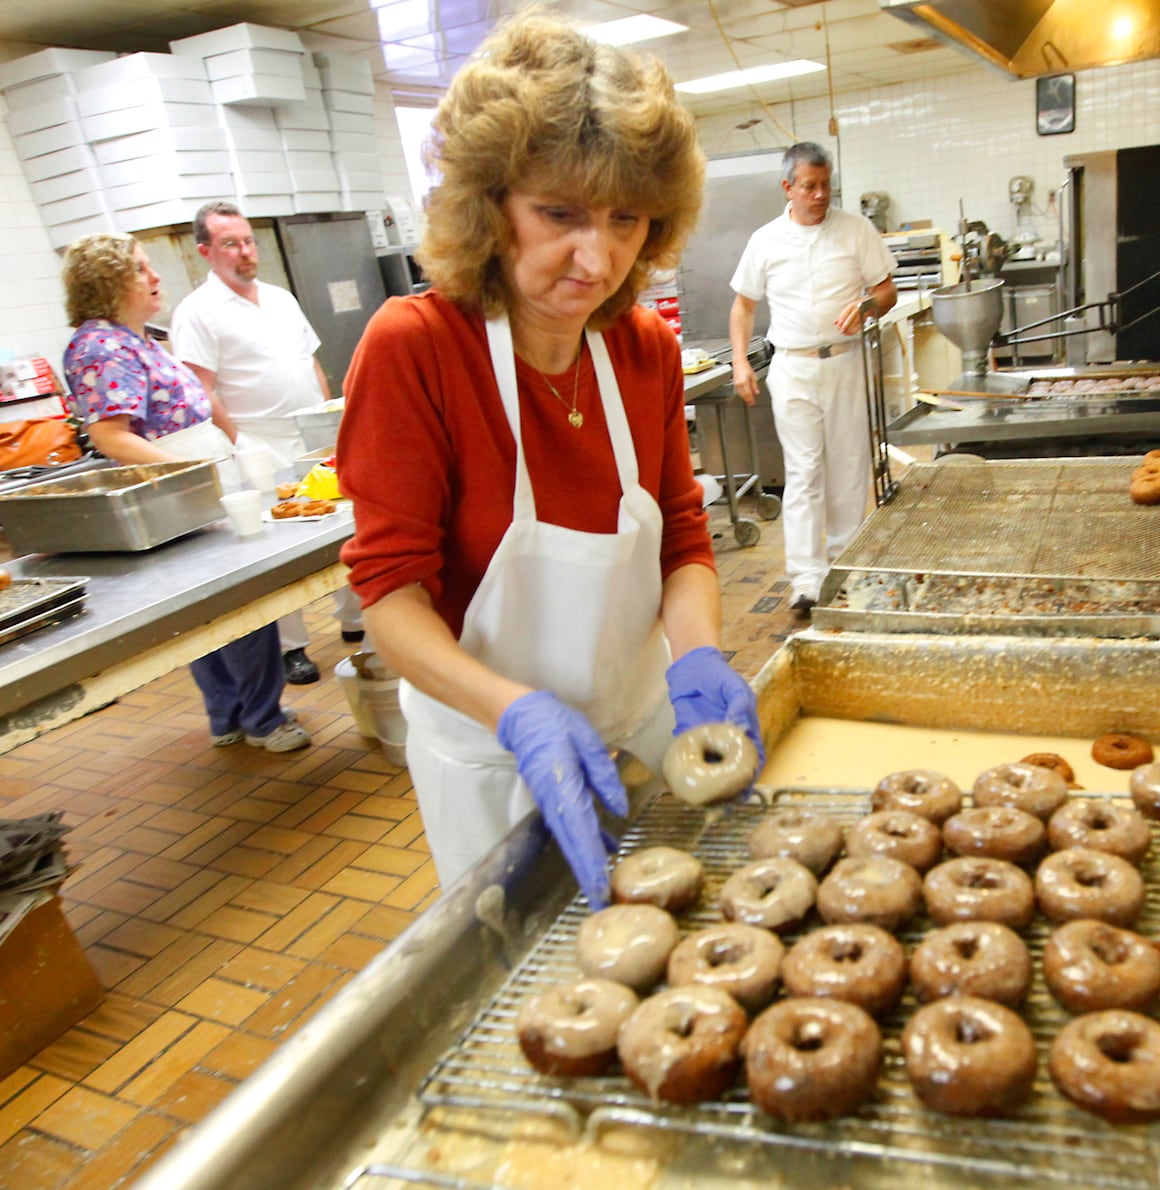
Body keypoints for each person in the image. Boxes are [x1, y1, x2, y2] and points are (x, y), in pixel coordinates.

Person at [337, 11, 761, 900]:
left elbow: (682, 536)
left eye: (627, 219)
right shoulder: (416, 348)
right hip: (495, 751)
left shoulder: (640, 347)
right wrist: (514, 712)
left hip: (642, 723)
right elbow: (390, 597)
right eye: (559, 213)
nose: (597, 255)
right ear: (491, 205)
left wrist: (696, 654)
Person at [59, 233, 310, 753]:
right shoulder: (100, 345)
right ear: (109, 283)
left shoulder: (136, 338)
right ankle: (264, 718)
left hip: (190, 477)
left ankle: (231, 716)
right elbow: (111, 435)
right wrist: (194, 470)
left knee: (210, 603)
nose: (155, 278)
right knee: (239, 596)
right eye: (141, 269)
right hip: (175, 484)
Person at [169, 200, 362, 686]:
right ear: (205, 252)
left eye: (249, 240)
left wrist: (327, 417)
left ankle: (355, 619)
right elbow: (201, 389)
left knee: (342, 521)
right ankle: (291, 647)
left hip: (309, 434)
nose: (245, 251)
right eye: (230, 243)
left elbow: (310, 361)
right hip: (257, 441)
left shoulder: (280, 298)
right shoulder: (198, 312)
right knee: (278, 548)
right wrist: (240, 444)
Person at [728, 142, 898, 616]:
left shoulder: (855, 230)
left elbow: (886, 290)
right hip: (793, 366)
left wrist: (867, 305)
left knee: (847, 465)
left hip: (845, 361)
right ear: (788, 187)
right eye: (810, 186)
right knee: (803, 472)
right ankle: (806, 579)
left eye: (826, 185)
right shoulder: (765, 241)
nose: (821, 194)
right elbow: (743, 305)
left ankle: (844, 566)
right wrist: (741, 362)